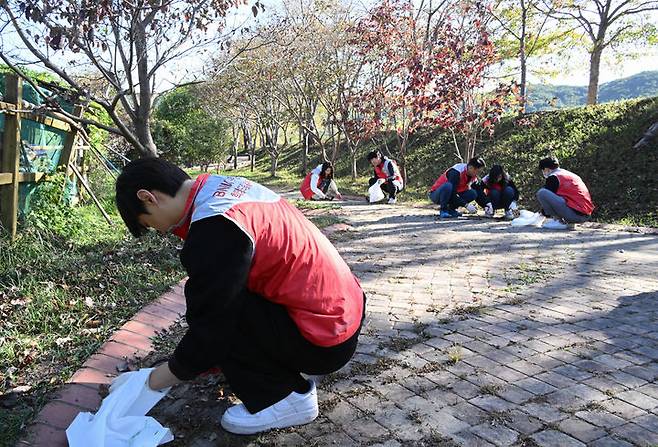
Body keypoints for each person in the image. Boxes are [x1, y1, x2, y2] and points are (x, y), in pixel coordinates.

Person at [115, 157, 365, 435]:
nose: (161, 231)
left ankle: (286, 398)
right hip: (343, 313)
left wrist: (153, 380)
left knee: (219, 313)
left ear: (148, 198)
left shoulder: (215, 226)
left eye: (149, 224)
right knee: (217, 295)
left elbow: (212, 327)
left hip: (324, 339)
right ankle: (262, 369)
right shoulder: (217, 188)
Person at [536, 155, 594, 230]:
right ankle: (569, 224)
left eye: (543, 170)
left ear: (547, 169)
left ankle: (558, 221)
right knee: (561, 197)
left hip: (574, 214)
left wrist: (540, 215)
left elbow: (548, 199)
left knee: (542, 193)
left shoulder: (554, 177)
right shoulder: (568, 174)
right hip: (585, 214)